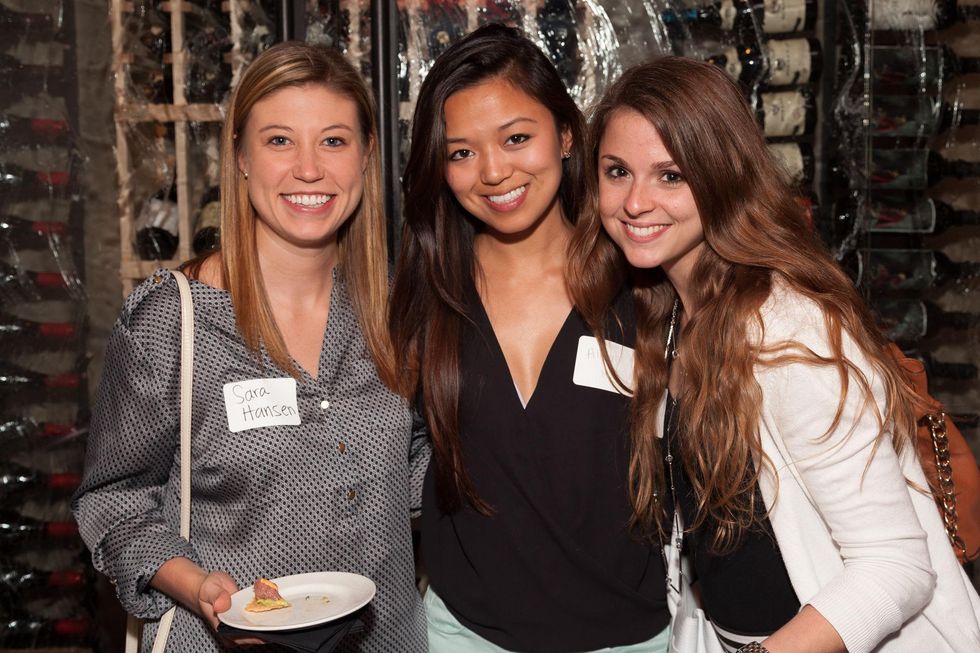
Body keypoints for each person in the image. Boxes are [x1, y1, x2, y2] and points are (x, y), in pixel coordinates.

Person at [567, 57, 980, 653]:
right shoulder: (672, 313)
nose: (635, 202)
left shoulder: (790, 331)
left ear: (721, 176)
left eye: (671, 176)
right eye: (617, 171)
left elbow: (895, 565)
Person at [72, 42, 428, 652]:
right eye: (280, 141)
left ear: (368, 157)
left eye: (335, 141)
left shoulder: (396, 314)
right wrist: (195, 586)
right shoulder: (171, 323)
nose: (309, 169)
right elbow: (113, 500)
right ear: (239, 155)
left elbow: (418, 465)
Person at [389, 23, 670, 653]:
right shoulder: (425, 293)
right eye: (460, 152)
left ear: (567, 135)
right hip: (465, 635)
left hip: (633, 637)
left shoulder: (644, 279)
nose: (493, 171)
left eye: (517, 138)